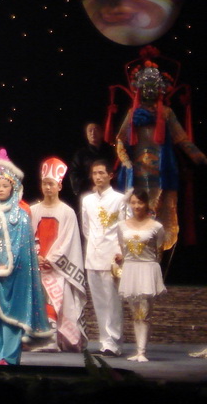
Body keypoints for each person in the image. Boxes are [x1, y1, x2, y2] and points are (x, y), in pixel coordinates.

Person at [114, 57, 205, 250]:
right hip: (136, 174)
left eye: (153, 87)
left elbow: (181, 139)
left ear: (160, 89)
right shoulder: (132, 114)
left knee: (160, 216)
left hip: (161, 173)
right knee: (134, 212)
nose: (149, 91)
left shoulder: (167, 113)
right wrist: (125, 160)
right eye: (146, 87)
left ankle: (156, 255)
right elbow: (121, 139)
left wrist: (198, 155)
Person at [0, 148, 51, 365]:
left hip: (14, 276)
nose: (0, 189)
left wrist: (7, 267)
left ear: (13, 188)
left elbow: (21, 249)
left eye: (4, 186)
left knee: (12, 317)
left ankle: (9, 357)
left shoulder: (21, 216)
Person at [29, 157, 86, 352]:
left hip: (58, 267)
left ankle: (52, 340)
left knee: (55, 300)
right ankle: (38, 339)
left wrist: (51, 260)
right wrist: (36, 256)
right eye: (44, 183)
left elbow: (68, 240)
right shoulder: (33, 211)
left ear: (59, 186)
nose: (47, 187)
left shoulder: (67, 212)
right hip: (36, 265)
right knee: (38, 302)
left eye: (51, 184)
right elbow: (28, 237)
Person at [81, 158, 128, 356]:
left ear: (110, 175)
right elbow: (86, 228)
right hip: (93, 255)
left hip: (113, 256)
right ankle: (104, 341)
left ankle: (114, 343)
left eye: (101, 173)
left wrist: (121, 251)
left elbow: (125, 227)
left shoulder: (120, 199)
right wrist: (95, 245)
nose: (98, 176)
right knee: (99, 301)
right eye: (95, 173)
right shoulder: (87, 200)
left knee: (112, 300)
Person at [115, 189, 165, 362]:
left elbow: (159, 250)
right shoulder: (122, 226)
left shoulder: (156, 227)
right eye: (133, 202)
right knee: (135, 312)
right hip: (131, 269)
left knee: (145, 312)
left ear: (146, 204)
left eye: (140, 202)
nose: (136, 206)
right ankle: (138, 350)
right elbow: (122, 248)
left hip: (147, 268)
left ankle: (142, 351)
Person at [69, 123, 115, 201]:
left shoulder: (110, 151)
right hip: (88, 192)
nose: (93, 133)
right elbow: (74, 174)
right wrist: (91, 187)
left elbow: (115, 170)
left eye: (96, 129)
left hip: (109, 191)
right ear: (86, 134)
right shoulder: (81, 154)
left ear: (102, 133)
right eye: (90, 130)